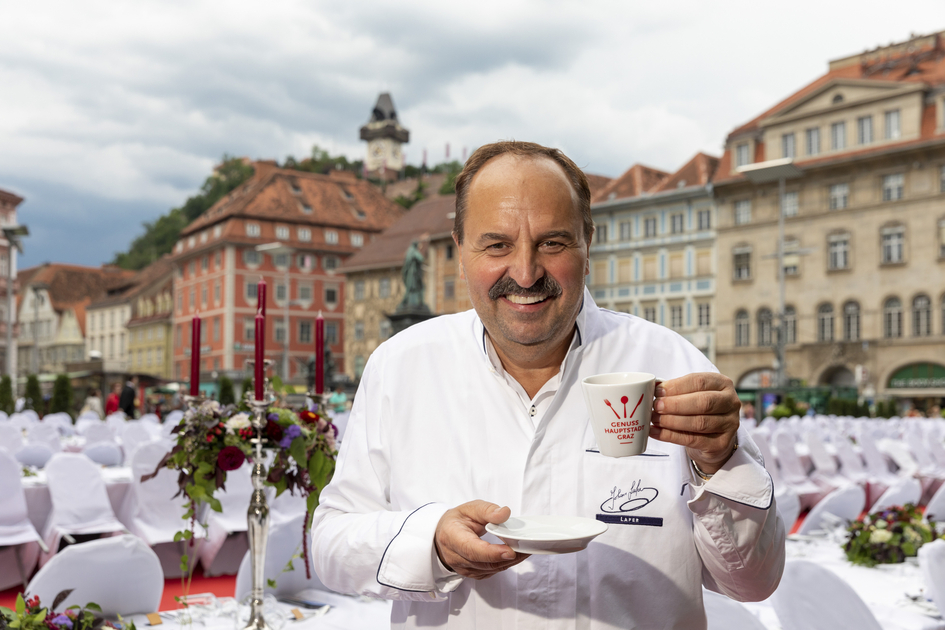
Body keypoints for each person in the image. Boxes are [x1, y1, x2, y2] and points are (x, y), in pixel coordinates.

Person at [311, 141, 785, 629]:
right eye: (497, 245)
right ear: (459, 250)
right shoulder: (402, 366)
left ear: (587, 243)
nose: (524, 272)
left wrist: (721, 464)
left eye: (552, 243)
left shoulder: (671, 363)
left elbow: (752, 583)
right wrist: (430, 541)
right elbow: (330, 544)